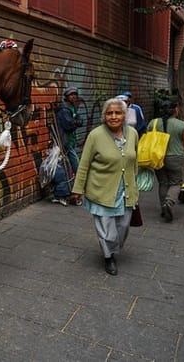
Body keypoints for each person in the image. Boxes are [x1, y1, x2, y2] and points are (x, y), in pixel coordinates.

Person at [72, 97, 139, 275]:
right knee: (107, 231)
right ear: (104, 116)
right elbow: (84, 164)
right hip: (101, 189)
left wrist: (135, 185)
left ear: (124, 115)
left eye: (118, 113)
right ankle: (108, 257)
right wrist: (78, 189)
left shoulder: (132, 133)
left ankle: (112, 249)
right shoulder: (95, 135)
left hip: (125, 190)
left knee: (123, 227)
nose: (114, 116)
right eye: (109, 113)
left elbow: (134, 160)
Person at [147, 100, 184, 222]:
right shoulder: (182, 125)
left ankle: (164, 208)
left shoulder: (153, 122)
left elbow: (148, 138)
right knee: (175, 183)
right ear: (175, 110)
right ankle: (169, 202)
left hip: (157, 157)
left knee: (163, 182)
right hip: (176, 158)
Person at [55, 86, 83, 175]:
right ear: (66, 96)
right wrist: (76, 123)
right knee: (74, 160)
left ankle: (73, 177)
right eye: (71, 95)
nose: (74, 96)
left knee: (71, 160)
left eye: (75, 94)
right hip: (65, 140)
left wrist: (75, 122)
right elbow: (68, 125)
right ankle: (79, 179)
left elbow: (80, 120)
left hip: (71, 139)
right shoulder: (64, 109)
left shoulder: (72, 107)